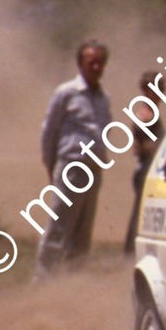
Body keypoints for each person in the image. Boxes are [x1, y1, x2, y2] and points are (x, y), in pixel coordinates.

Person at [35, 40, 112, 275]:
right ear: (80, 64)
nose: (96, 67)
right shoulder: (66, 92)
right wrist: (51, 165)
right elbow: (49, 131)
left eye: (100, 63)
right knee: (59, 227)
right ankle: (42, 280)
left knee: (83, 231)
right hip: (72, 166)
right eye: (91, 63)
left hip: (93, 169)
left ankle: (72, 283)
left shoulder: (103, 98)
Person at [123, 71, 160, 254]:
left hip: (147, 169)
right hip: (145, 168)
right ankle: (131, 252)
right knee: (139, 214)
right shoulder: (145, 115)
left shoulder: (151, 114)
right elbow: (138, 147)